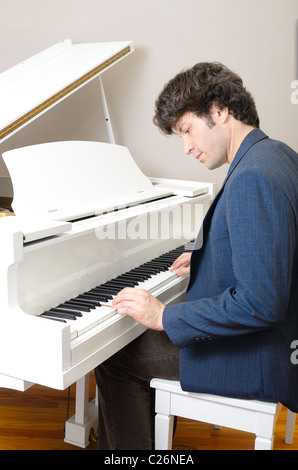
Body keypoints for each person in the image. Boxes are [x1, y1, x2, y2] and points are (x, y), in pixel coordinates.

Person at [95, 62, 298, 450]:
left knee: (115, 359)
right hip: (281, 340)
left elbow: (262, 304)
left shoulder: (252, 177)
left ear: (220, 111)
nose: (186, 146)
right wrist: (210, 256)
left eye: (187, 130)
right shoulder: (276, 155)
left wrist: (164, 315)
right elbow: (276, 242)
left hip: (260, 353)